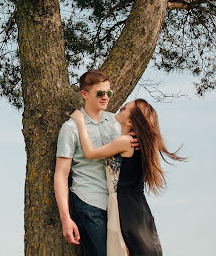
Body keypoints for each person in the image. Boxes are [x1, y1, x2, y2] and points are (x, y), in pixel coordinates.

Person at [71, 99, 185, 255]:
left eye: (124, 108)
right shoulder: (136, 143)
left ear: (130, 121)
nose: (119, 107)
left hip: (125, 207)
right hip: (138, 208)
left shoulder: (125, 142)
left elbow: (90, 153)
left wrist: (80, 122)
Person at [54, 70, 138, 256]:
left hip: (117, 206)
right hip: (88, 203)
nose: (105, 98)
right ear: (84, 94)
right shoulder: (71, 128)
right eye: (100, 93)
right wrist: (65, 218)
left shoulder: (116, 123)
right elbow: (61, 174)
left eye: (109, 93)